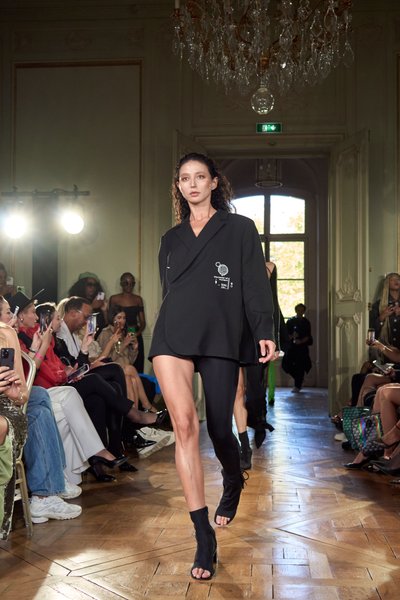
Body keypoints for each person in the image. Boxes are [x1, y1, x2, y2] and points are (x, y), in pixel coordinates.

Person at [149, 152, 277, 580]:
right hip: (173, 334)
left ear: (213, 182)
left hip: (221, 333)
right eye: (184, 178)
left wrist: (264, 329)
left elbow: (255, 285)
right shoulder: (170, 238)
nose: (192, 184)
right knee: (185, 426)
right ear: (179, 186)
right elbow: (170, 289)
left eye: (199, 177)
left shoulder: (239, 228)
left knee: (220, 428)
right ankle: (203, 534)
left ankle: (233, 477)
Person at [97, 305, 158, 412]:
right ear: (112, 318)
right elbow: (106, 359)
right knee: (130, 369)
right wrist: (124, 344)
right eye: (119, 318)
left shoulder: (124, 333)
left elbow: (129, 361)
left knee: (132, 379)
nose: (122, 321)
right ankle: (147, 405)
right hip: (111, 370)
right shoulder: (105, 333)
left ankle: (135, 413)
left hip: (125, 370)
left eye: (124, 318)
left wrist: (134, 349)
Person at [109, 272, 146, 373]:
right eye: (126, 283)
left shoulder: (138, 299)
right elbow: (110, 318)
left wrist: (136, 334)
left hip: (133, 332)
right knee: (120, 361)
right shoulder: (114, 299)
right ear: (121, 284)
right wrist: (117, 333)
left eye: (132, 283)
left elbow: (143, 322)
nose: (129, 286)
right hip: (119, 333)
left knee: (137, 363)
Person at [282, 303, 312, 392]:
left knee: (300, 366)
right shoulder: (290, 321)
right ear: (295, 310)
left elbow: (308, 336)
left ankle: (297, 385)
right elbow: (286, 335)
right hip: (291, 347)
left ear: (304, 311)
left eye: (302, 310)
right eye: (298, 310)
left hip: (302, 348)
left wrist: (301, 341)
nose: (300, 312)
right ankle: (299, 380)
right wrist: (292, 336)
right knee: (286, 365)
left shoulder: (306, 322)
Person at [68, 273, 108, 337]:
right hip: (81, 336)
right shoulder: (74, 301)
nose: (93, 288)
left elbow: (106, 326)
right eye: (89, 284)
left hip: (98, 336)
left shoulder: (97, 300)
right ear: (82, 285)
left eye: (95, 285)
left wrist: (105, 311)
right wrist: (92, 307)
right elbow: (83, 326)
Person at [369, 272, 400, 350]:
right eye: (392, 279)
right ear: (387, 283)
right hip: (385, 349)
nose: (396, 281)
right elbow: (372, 330)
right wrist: (382, 316)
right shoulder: (378, 305)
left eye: (398, 279)